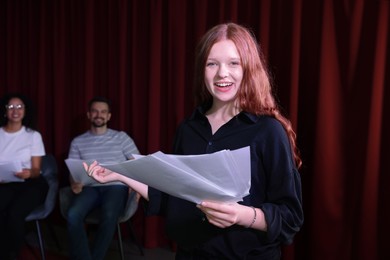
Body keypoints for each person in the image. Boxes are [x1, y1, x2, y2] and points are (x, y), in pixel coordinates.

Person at [87, 23, 303, 260]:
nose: (222, 73)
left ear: (249, 68)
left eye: (234, 63)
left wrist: (242, 215)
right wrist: (119, 175)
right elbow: (174, 195)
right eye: (212, 63)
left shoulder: (268, 131)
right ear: (203, 69)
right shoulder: (188, 129)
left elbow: (290, 217)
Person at [65, 96, 140, 260]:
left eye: (103, 112)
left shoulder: (121, 137)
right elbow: (73, 170)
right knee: (72, 214)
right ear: (89, 115)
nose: (99, 115)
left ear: (109, 116)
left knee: (109, 214)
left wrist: (136, 187)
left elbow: (137, 163)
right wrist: (74, 183)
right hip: (90, 187)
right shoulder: (78, 141)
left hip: (116, 185)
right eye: (95, 111)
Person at [0, 93, 48, 260]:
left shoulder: (33, 135)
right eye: (11, 107)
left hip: (30, 182)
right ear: (5, 111)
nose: (15, 110)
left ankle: (12, 255)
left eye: (19, 107)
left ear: (25, 111)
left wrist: (29, 173)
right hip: (4, 183)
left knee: (15, 213)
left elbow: (36, 169)